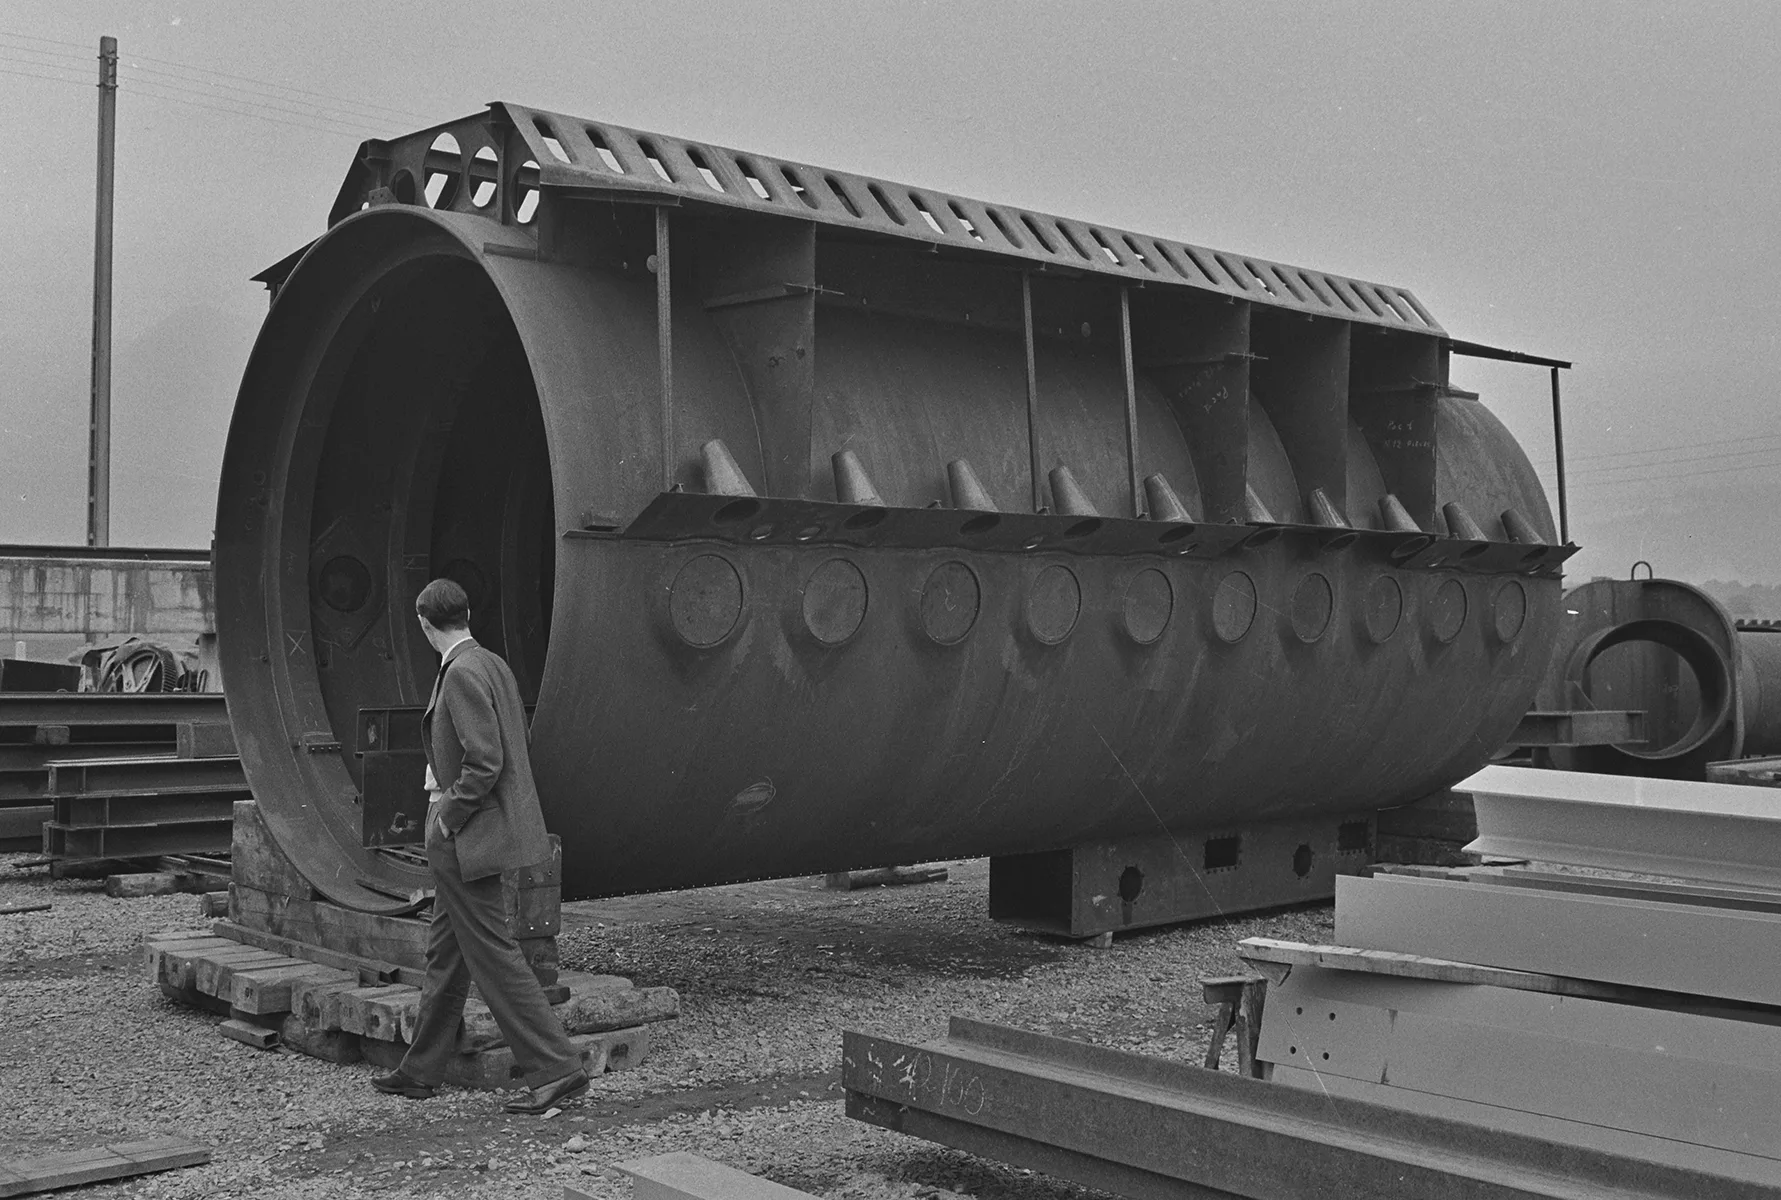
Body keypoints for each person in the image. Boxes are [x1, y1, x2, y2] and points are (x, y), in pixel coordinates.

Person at [370, 578, 588, 1114]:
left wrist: (448, 815)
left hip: (463, 832)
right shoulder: (491, 663)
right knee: (446, 951)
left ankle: (557, 1069)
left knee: (492, 952)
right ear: (466, 615)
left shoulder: (462, 672)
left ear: (425, 625)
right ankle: (421, 1070)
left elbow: (485, 761)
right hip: (478, 830)